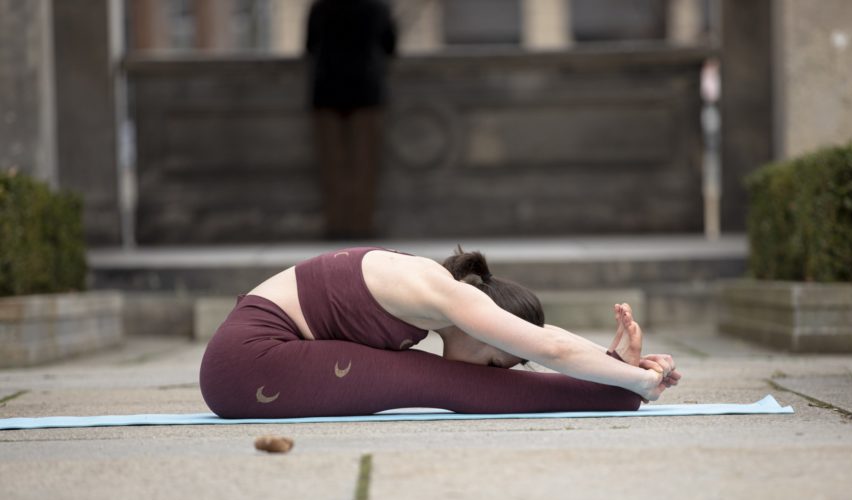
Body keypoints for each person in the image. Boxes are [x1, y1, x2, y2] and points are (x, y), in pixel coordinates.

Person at [200, 247, 682, 418]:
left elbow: (541, 337)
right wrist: (635, 384)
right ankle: (614, 396)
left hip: (252, 360)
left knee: (429, 376)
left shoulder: (452, 298)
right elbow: (548, 346)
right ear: (487, 329)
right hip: (249, 365)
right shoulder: (445, 297)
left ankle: (612, 390)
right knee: (437, 381)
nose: (494, 371)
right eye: (498, 361)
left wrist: (613, 364)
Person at [305, 0, 397, 239]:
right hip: (366, 91)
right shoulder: (377, 7)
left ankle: (335, 225)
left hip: (326, 91)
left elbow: (309, 47)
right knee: (365, 164)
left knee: (331, 164)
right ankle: (361, 225)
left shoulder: (321, 7)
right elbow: (390, 47)